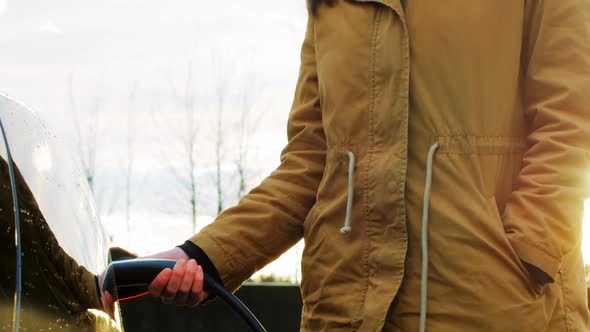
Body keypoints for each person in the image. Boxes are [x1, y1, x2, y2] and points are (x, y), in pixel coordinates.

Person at [101, 0, 590, 330]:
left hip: (494, 307)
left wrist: (526, 253)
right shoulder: (333, 7)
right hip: (343, 310)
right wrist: (202, 256)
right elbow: (311, 163)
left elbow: (572, 119)